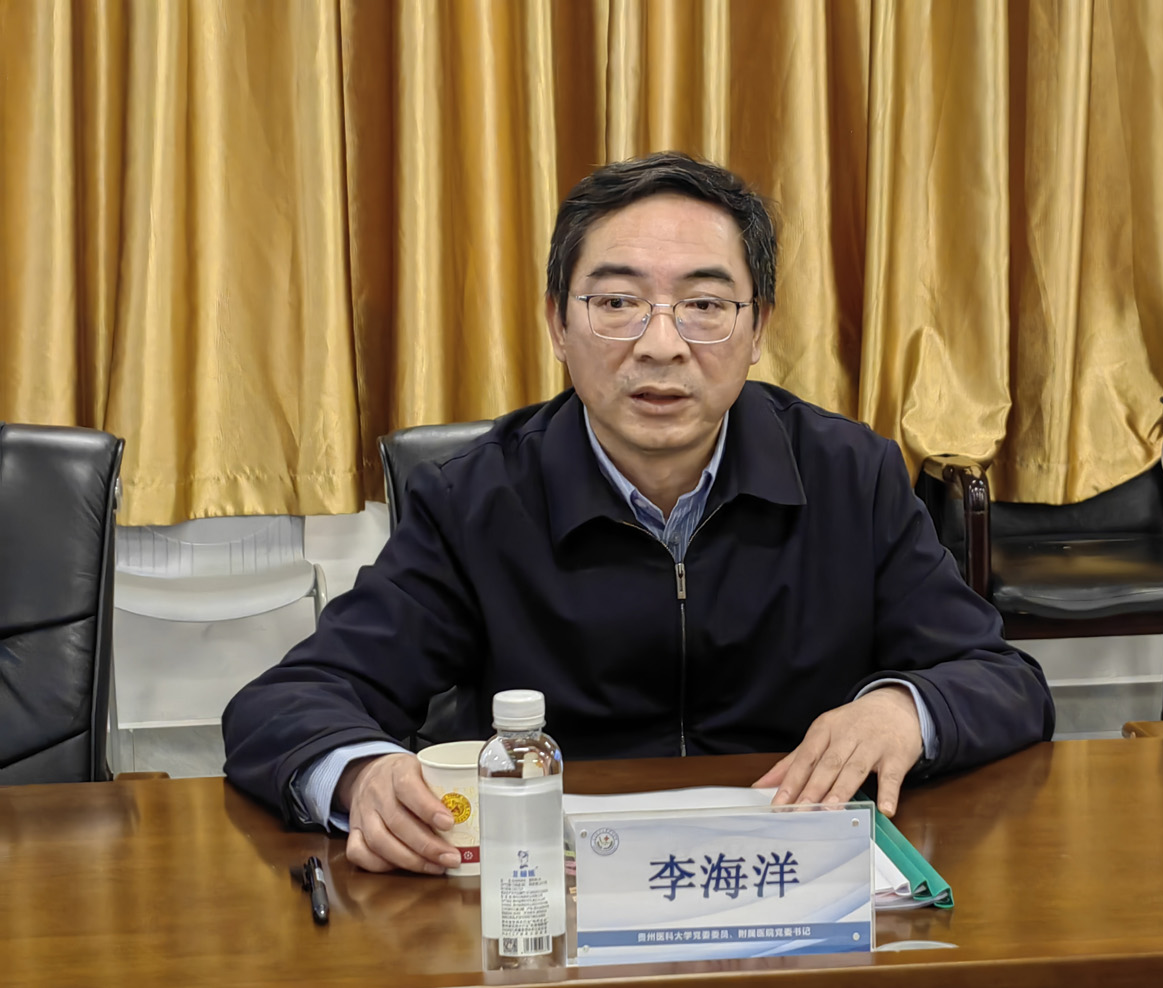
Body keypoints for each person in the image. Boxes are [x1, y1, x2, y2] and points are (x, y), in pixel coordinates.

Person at [223, 151, 1053, 876]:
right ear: (558, 322)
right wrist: (363, 775)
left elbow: (1003, 680)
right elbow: (291, 700)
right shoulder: (475, 499)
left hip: (788, 881)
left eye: (705, 305)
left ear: (758, 328)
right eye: (618, 302)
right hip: (557, 892)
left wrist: (903, 708)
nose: (662, 344)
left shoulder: (849, 475)